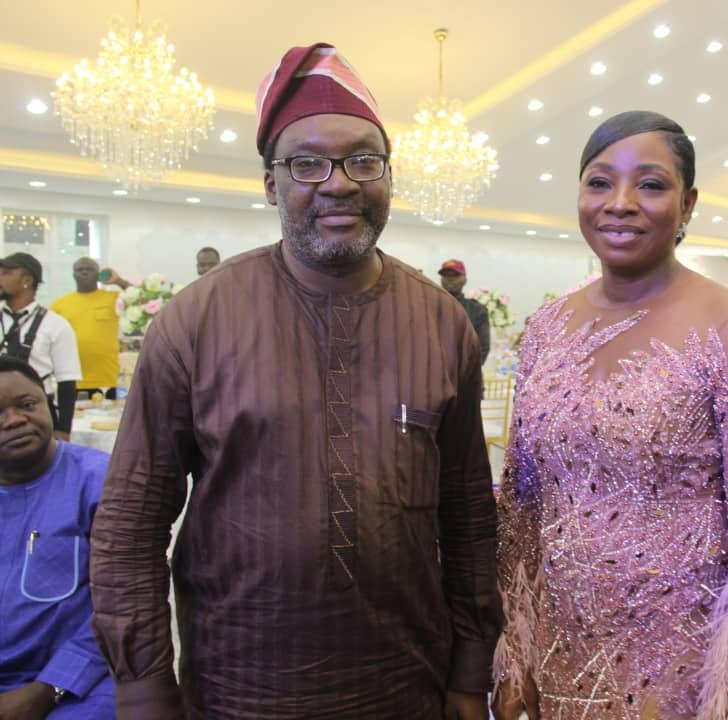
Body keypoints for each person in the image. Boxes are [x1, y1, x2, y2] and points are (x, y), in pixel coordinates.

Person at [90, 43, 501, 720]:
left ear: (389, 177)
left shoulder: (440, 323)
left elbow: (467, 515)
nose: (338, 183)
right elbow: (133, 518)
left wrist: (470, 667)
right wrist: (140, 683)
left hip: (408, 683)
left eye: (363, 160)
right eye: (306, 164)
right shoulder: (195, 319)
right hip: (239, 687)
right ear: (270, 184)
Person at [492, 110, 728, 719]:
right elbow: (522, 502)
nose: (620, 203)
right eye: (599, 182)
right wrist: (516, 645)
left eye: (651, 185)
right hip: (563, 646)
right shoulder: (548, 328)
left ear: (688, 205)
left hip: (684, 661)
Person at [0, 357, 115, 719]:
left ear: (49, 404)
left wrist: (48, 689)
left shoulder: (100, 482)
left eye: (26, 405)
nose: (15, 420)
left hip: (80, 682)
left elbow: (124, 606)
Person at [0, 253, 81, 441]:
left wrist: (64, 430)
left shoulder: (56, 325)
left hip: (37, 413)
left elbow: (67, 381)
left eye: (5, 274)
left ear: (27, 280)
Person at [50, 258, 131, 399]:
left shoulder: (114, 298)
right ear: (73, 275)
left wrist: (118, 281)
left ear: (98, 275)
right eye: (80, 270)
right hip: (71, 379)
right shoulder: (59, 304)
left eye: (90, 269)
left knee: (110, 420)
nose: (84, 272)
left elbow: (140, 297)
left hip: (108, 380)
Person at [439, 259, 491, 364]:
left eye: (455, 275)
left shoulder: (477, 311)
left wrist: (463, 373)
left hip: (463, 376)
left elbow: (482, 348)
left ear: (464, 280)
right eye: (446, 276)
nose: (450, 279)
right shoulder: (430, 306)